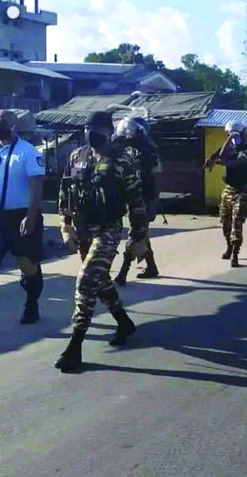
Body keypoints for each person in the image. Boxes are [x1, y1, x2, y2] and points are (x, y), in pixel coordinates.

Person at [55, 111, 149, 372]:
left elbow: (136, 202)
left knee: (85, 281)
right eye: (86, 128)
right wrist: (65, 225)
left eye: (95, 128)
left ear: (109, 130)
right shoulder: (78, 156)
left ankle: (75, 348)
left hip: (108, 230)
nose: (90, 133)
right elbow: (65, 191)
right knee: (100, 280)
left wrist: (138, 238)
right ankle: (123, 321)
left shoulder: (122, 160)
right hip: (83, 230)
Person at [0, 110, 45, 324]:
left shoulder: (27, 152)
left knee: (25, 263)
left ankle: (31, 304)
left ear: (13, 126)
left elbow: (37, 187)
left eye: (2, 122)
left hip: (21, 216)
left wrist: (31, 216)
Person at [113, 117, 162, 284]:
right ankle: (152, 266)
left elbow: (156, 180)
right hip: (129, 199)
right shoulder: (123, 152)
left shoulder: (150, 154)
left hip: (143, 200)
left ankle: (123, 272)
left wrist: (154, 205)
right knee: (142, 234)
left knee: (135, 234)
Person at [205, 120, 247, 268]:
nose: (234, 137)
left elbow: (235, 163)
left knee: (236, 222)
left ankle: (236, 254)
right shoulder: (228, 148)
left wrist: (220, 161)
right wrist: (227, 142)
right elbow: (218, 156)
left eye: (236, 133)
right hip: (228, 190)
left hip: (241, 190)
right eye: (230, 134)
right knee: (225, 222)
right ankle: (229, 246)